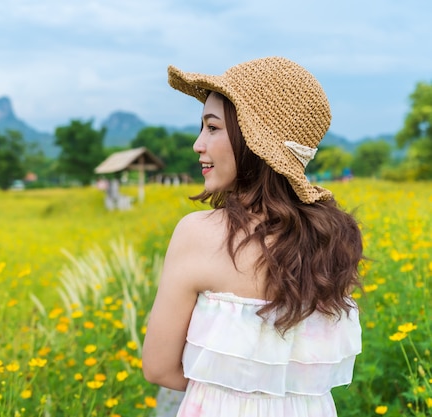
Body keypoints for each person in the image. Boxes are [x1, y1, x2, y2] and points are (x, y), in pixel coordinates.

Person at [142, 57, 363, 417]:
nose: (198, 144)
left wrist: (230, 390)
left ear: (252, 139)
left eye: (212, 128)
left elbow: (158, 367)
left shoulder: (198, 234)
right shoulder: (334, 237)